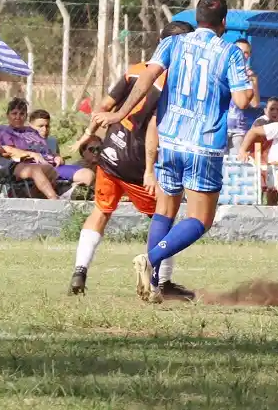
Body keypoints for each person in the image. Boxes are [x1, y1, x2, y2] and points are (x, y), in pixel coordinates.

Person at [94, 0, 253, 304]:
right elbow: (243, 102)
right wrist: (246, 79)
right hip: (203, 145)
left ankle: (153, 284)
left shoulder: (174, 43)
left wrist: (118, 114)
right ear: (224, 23)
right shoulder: (230, 52)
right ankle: (151, 260)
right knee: (200, 220)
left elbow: (146, 80)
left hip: (170, 140)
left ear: (197, 19)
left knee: (164, 211)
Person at [69, 20, 196, 300]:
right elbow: (153, 128)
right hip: (139, 161)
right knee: (164, 218)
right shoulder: (174, 81)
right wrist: (150, 170)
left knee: (101, 211)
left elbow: (104, 106)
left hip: (111, 154)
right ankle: (162, 282)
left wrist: (88, 135)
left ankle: (79, 270)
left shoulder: (135, 70)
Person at [0, 98, 68, 200]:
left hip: (43, 163)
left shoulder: (30, 132)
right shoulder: (3, 131)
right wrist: (31, 154)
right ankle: (53, 199)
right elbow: (7, 150)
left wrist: (55, 156)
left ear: (26, 116)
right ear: (7, 115)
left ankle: (37, 196)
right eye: (14, 113)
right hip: (17, 165)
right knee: (41, 170)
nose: (18, 117)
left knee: (51, 170)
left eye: (22, 114)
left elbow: (44, 149)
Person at [226, 38, 260, 154]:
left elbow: (255, 103)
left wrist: (253, 82)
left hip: (238, 128)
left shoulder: (249, 74)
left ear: (249, 55)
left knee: (234, 164)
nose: (242, 55)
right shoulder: (224, 69)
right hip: (221, 125)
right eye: (239, 51)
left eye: (245, 52)